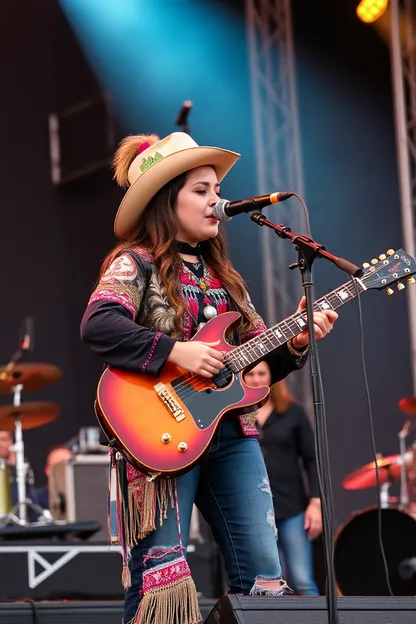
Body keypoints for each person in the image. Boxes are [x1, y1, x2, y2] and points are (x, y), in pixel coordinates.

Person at [80, 131, 338, 624]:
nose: (216, 200)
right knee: (163, 582)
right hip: (162, 437)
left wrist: (297, 343)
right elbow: (99, 324)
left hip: (233, 436)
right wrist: (179, 352)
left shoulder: (227, 279)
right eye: (201, 190)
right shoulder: (135, 263)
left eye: (216, 190)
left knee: (265, 578)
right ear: (164, 199)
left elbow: (257, 366)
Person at [244, 361, 322, 596]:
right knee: (269, 584)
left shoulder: (292, 413)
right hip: (254, 512)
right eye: (250, 374)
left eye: (262, 373)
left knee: (301, 578)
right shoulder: (236, 413)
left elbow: (311, 458)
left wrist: (316, 502)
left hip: (291, 508)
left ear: (272, 377)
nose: (257, 379)